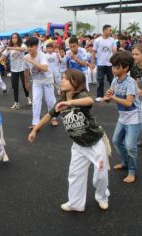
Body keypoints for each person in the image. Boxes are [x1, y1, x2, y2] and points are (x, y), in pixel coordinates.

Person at [28, 69, 111, 212]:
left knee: (101, 176)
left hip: (95, 143)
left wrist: (70, 102)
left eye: (65, 79)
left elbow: (89, 100)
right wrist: (35, 129)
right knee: (75, 175)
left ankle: (102, 197)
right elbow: (49, 115)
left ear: (75, 82)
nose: (61, 80)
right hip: (78, 145)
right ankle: (75, 203)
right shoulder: (60, 101)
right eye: (61, 78)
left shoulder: (81, 95)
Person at [102, 51, 141, 183]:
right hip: (123, 117)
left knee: (130, 146)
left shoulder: (130, 82)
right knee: (116, 141)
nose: (113, 69)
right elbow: (108, 99)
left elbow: (129, 102)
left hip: (134, 117)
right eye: (113, 66)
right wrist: (107, 97)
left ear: (125, 68)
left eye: (116, 67)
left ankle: (132, 171)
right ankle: (125, 162)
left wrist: (112, 97)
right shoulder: (115, 80)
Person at [24, 37, 58, 128]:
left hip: (47, 80)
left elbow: (45, 68)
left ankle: (53, 118)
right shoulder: (26, 57)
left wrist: (32, 61)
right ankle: (35, 123)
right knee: (36, 101)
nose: (29, 48)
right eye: (28, 46)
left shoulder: (42, 55)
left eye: (31, 46)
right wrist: (26, 82)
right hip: (36, 82)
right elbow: (26, 71)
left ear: (36, 46)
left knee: (50, 101)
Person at [0, 33, 31, 110]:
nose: (14, 39)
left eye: (15, 38)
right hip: (14, 70)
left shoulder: (22, 45)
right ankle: (16, 102)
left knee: (24, 85)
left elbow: (23, 49)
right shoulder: (9, 48)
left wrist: (11, 48)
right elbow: (3, 56)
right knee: (15, 86)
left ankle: (27, 97)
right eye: (12, 38)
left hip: (22, 68)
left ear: (18, 38)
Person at [92, 25, 117, 101]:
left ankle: (115, 94)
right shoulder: (97, 40)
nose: (111, 31)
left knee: (112, 80)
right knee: (100, 81)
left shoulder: (112, 40)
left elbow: (114, 51)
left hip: (109, 64)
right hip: (100, 64)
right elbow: (93, 52)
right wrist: (92, 63)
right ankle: (100, 96)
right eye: (110, 30)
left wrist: (115, 62)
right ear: (104, 30)